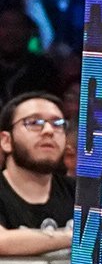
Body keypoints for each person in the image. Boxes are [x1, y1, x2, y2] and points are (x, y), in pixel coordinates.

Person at [0, 91, 73, 254]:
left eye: (58, 124)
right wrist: (74, 236)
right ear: (6, 141)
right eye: (34, 122)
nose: (49, 130)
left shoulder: (81, 193)